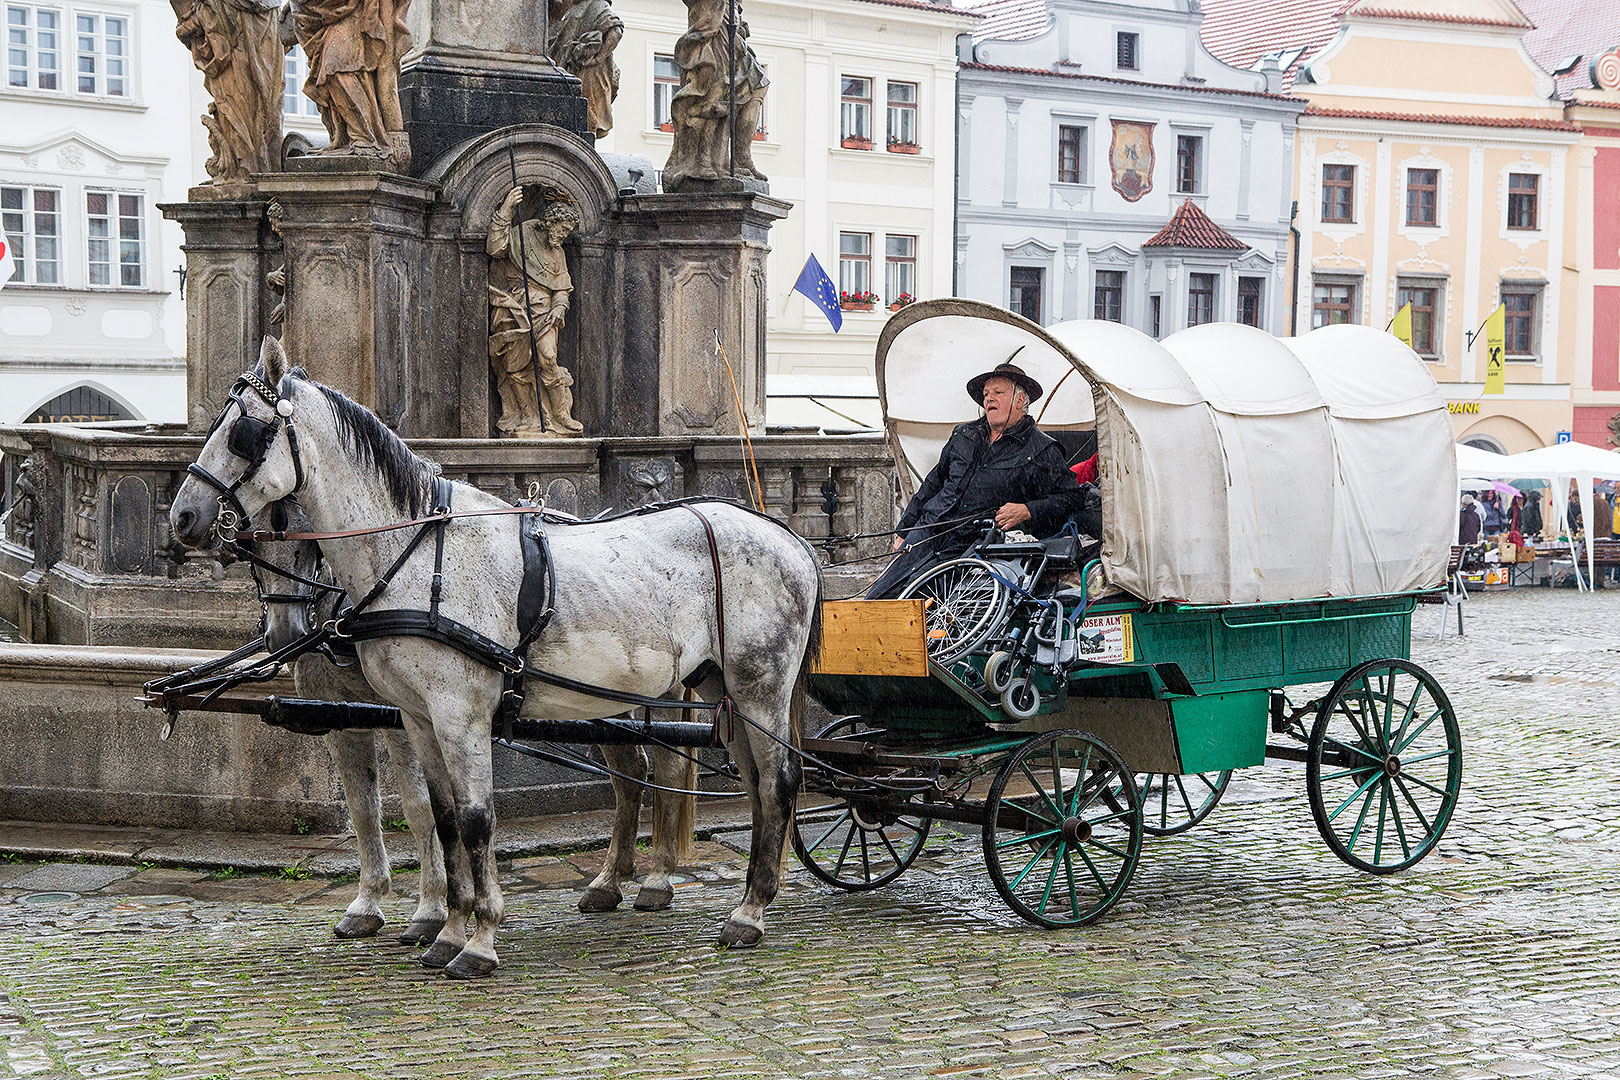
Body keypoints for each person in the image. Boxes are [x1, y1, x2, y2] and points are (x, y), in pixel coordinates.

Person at [866, 363, 1089, 599]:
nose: (989, 399)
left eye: (998, 393)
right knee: (879, 597)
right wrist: (904, 530)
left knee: (923, 602)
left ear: (1020, 400)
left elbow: (1072, 497)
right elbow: (933, 484)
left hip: (976, 541)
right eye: (985, 394)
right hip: (930, 528)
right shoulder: (964, 435)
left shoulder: (1042, 448)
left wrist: (1026, 510)